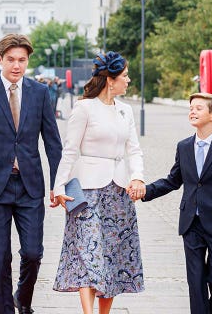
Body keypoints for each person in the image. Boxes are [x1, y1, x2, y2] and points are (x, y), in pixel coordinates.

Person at [0, 33, 63, 314]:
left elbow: (53, 142)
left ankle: (22, 298)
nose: (16, 66)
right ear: (0, 60)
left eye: (22, 60)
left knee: (33, 253)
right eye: (10, 60)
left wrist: (58, 185)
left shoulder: (39, 92)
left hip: (30, 186)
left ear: (27, 62)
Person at [51, 51, 146, 314]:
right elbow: (69, 150)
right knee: (88, 252)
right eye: (125, 76)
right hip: (87, 191)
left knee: (112, 254)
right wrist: (59, 187)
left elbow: (134, 150)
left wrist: (137, 176)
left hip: (119, 191)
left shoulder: (126, 111)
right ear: (110, 80)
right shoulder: (84, 108)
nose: (128, 80)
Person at [141, 92, 212, 314]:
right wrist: (146, 191)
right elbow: (173, 180)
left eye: (198, 108)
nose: (192, 111)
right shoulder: (183, 146)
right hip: (191, 222)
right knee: (196, 281)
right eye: (191, 107)